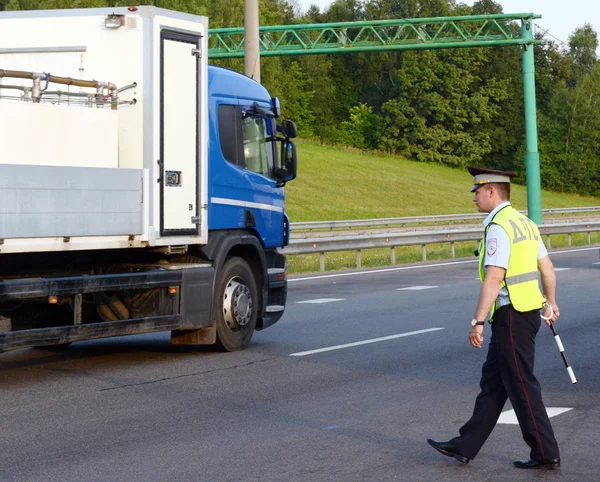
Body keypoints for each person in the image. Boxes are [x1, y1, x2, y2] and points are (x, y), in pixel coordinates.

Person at [427, 166, 561, 470]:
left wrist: (477, 321)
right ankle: (465, 445)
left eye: (477, 192)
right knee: (494, 384)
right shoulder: (525, 223)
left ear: (491, 191)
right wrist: (550, 303)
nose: (474, 198)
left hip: (511, 315)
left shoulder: (499, 226)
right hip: (525, 313)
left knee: (521, 384)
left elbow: (494, 278)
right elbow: (548, 268)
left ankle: (545, 451)